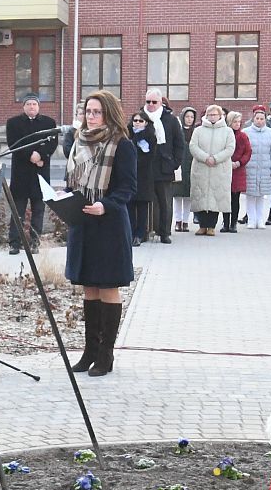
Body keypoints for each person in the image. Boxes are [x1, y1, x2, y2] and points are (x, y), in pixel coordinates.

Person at [63, 90, 136, 378]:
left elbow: (127, 188)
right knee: (89, 286)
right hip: (82, 223)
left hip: (108, 225)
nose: (90, 117)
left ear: (108, 114)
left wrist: (104, 206)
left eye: (96, 112)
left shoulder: (121, 145)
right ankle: (89, 352)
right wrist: (64, 195)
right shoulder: (77, 142)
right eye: (87, 111)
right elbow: (74, 182)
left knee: (107, 286)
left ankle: (106, 355)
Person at [5, 93, 58, 254]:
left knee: (38, 210)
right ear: (23, 107)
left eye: (34, 104)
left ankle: (35, 241)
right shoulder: (13, 123)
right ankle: (15, 243)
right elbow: (13, 143)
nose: (31, 107)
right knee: (17, 210)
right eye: (28, 104)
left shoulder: (49, 123)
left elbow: (52, 142)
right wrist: (31, 156)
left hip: (40, 173)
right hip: (21, 173)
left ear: (39, 106)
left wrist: (41, 155)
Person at [142, 90, 182, 243]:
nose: (151, 105)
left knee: (165, 202)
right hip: (144, 167)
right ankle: (144, 231)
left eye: (154, 102)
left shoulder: (170, 119)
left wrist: (175, 163)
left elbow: (179, 144)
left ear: (161, 103)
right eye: (148, 102)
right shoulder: (140, 117)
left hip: (164, 167)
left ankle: (164, 232)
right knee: (144, 200)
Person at [188, 105, 234, 236]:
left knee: (216, 197)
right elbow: (193, 146)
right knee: (201, 196)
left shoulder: (227, 131)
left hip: (219, 169)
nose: (212, 117)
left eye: (215, 115)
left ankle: (212, 226)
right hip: (201, 168)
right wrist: (205, 157)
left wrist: (216, 158)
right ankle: (202, 225)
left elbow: (230, 148)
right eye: (210, 115)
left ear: (220, 116)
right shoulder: (198, 130)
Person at [242, 106, 271, 230]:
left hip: (265, 168)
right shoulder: (246, 132)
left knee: (261, 196)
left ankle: (260, 220)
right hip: (250, 168)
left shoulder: (270, 133)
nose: (259, 121)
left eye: (262, 118)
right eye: (257, 118)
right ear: (253, 119)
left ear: (265, 120)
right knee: (250, 195)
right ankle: (251, 219)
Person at [127, 109, 157, 245]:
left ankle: (140, 234)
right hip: (129, 174)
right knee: (130, 205)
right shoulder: (128, 134)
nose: (137, 123)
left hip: (144, 175)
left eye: (141, 121)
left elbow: (151, 155)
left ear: (146, 123)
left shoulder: (150, 135)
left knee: (143, 206)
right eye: (135, 120)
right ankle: (131, 233)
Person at [224, 110, 252, 232]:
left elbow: (248, 151)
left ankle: (233, 223)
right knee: (225, 199)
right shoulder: (225, 134)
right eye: (235, 122)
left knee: (235, 198)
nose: (237, 124)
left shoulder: (243, 136)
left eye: (239, 122)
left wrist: (239, 162)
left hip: (238, 170)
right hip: (225, 168)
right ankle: (225, 223)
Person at [173, 107, 198, 233]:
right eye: (187, 116)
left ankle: (185, 221)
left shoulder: (196, 132)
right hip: (179, 165)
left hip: (192, 165)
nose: (189, 119)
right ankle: (177, 221)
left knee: (188, 196)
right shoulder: (178, 130)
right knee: (177, 196)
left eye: (192, 117)